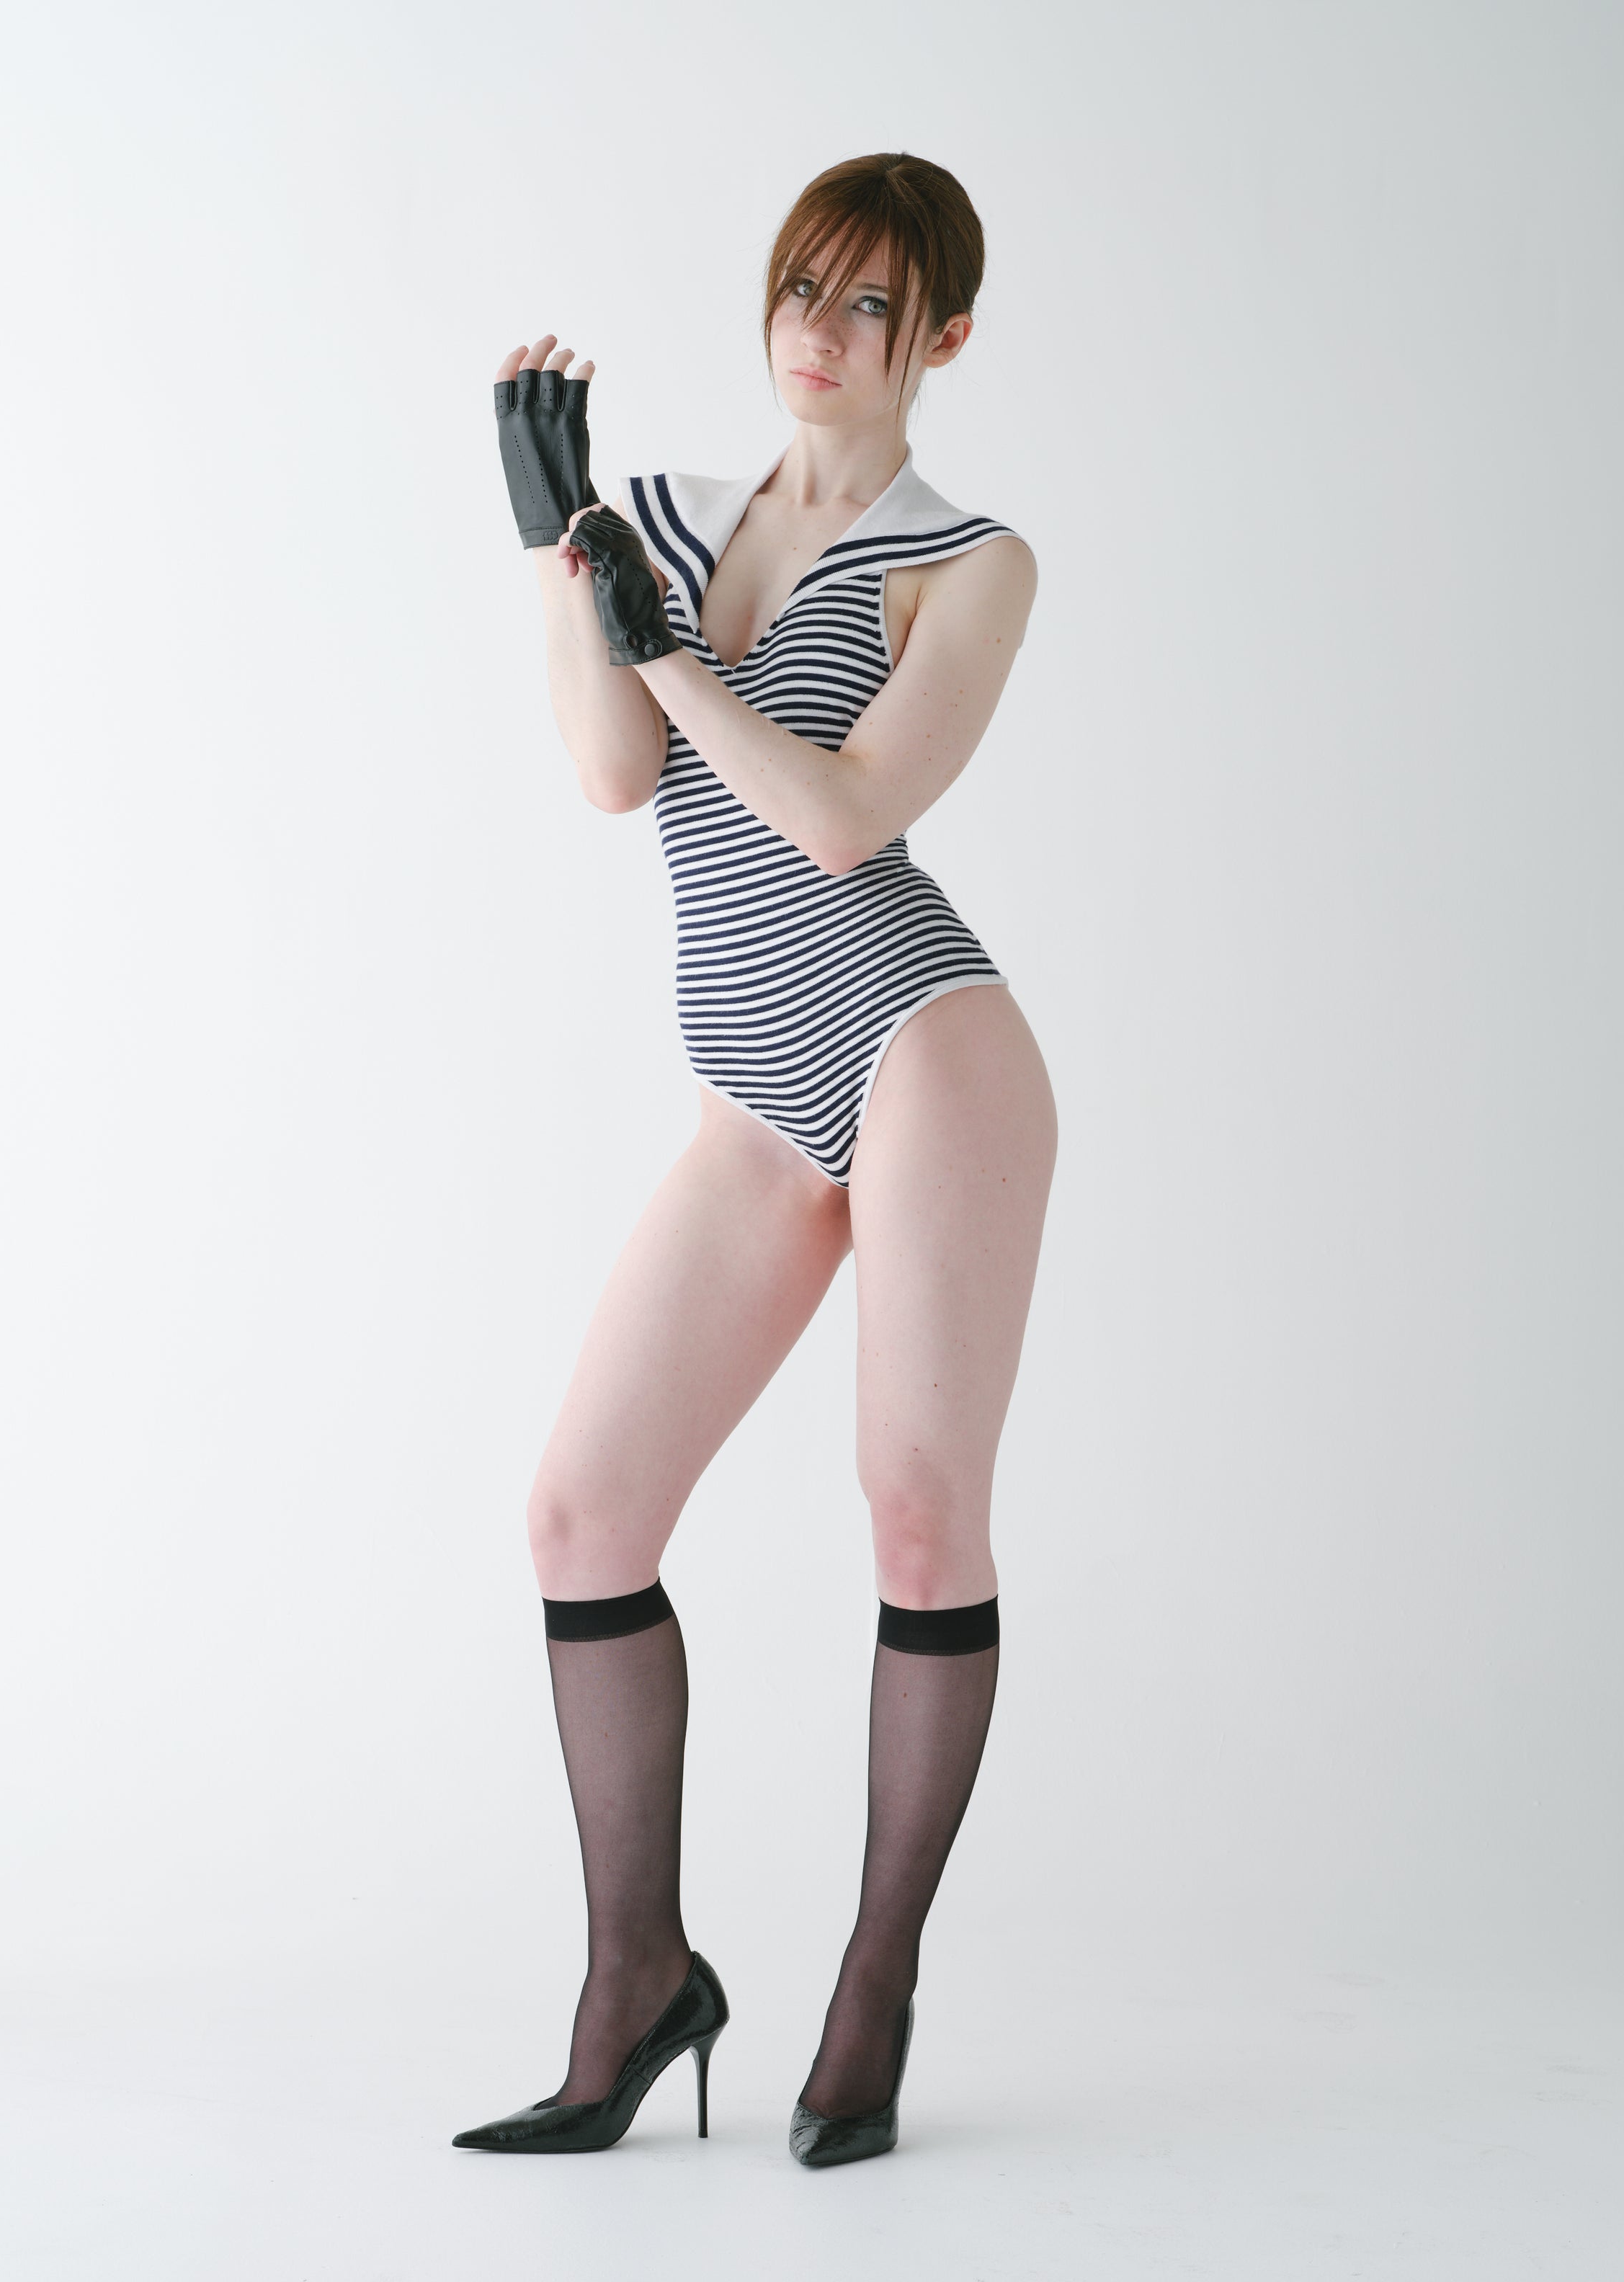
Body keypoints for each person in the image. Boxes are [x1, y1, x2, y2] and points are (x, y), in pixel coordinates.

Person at [454, 151, 1057, 2168]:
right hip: (752, 1089)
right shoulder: (659, 516)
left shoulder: (966, 563)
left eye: (873, 306)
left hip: (922, 1049)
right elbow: (614, 775)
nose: (822, 334)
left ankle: (873, 1989)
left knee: (917, 1524)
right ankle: (639, 1982)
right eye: (804, 290)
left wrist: (667, 647)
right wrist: (560, 563)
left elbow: (842, 820)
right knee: (581, 1516)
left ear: (942, 336)